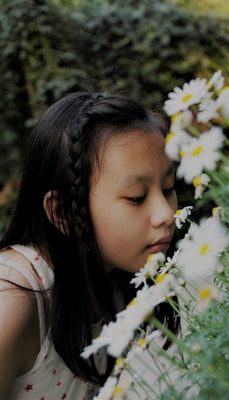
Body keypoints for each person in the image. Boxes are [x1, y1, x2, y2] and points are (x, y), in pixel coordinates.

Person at [0, 91, 180, 399]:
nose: (166, 213)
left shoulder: (113, 278)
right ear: (63, 213)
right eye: (136, 197)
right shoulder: (15, 302)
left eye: (168, 187)